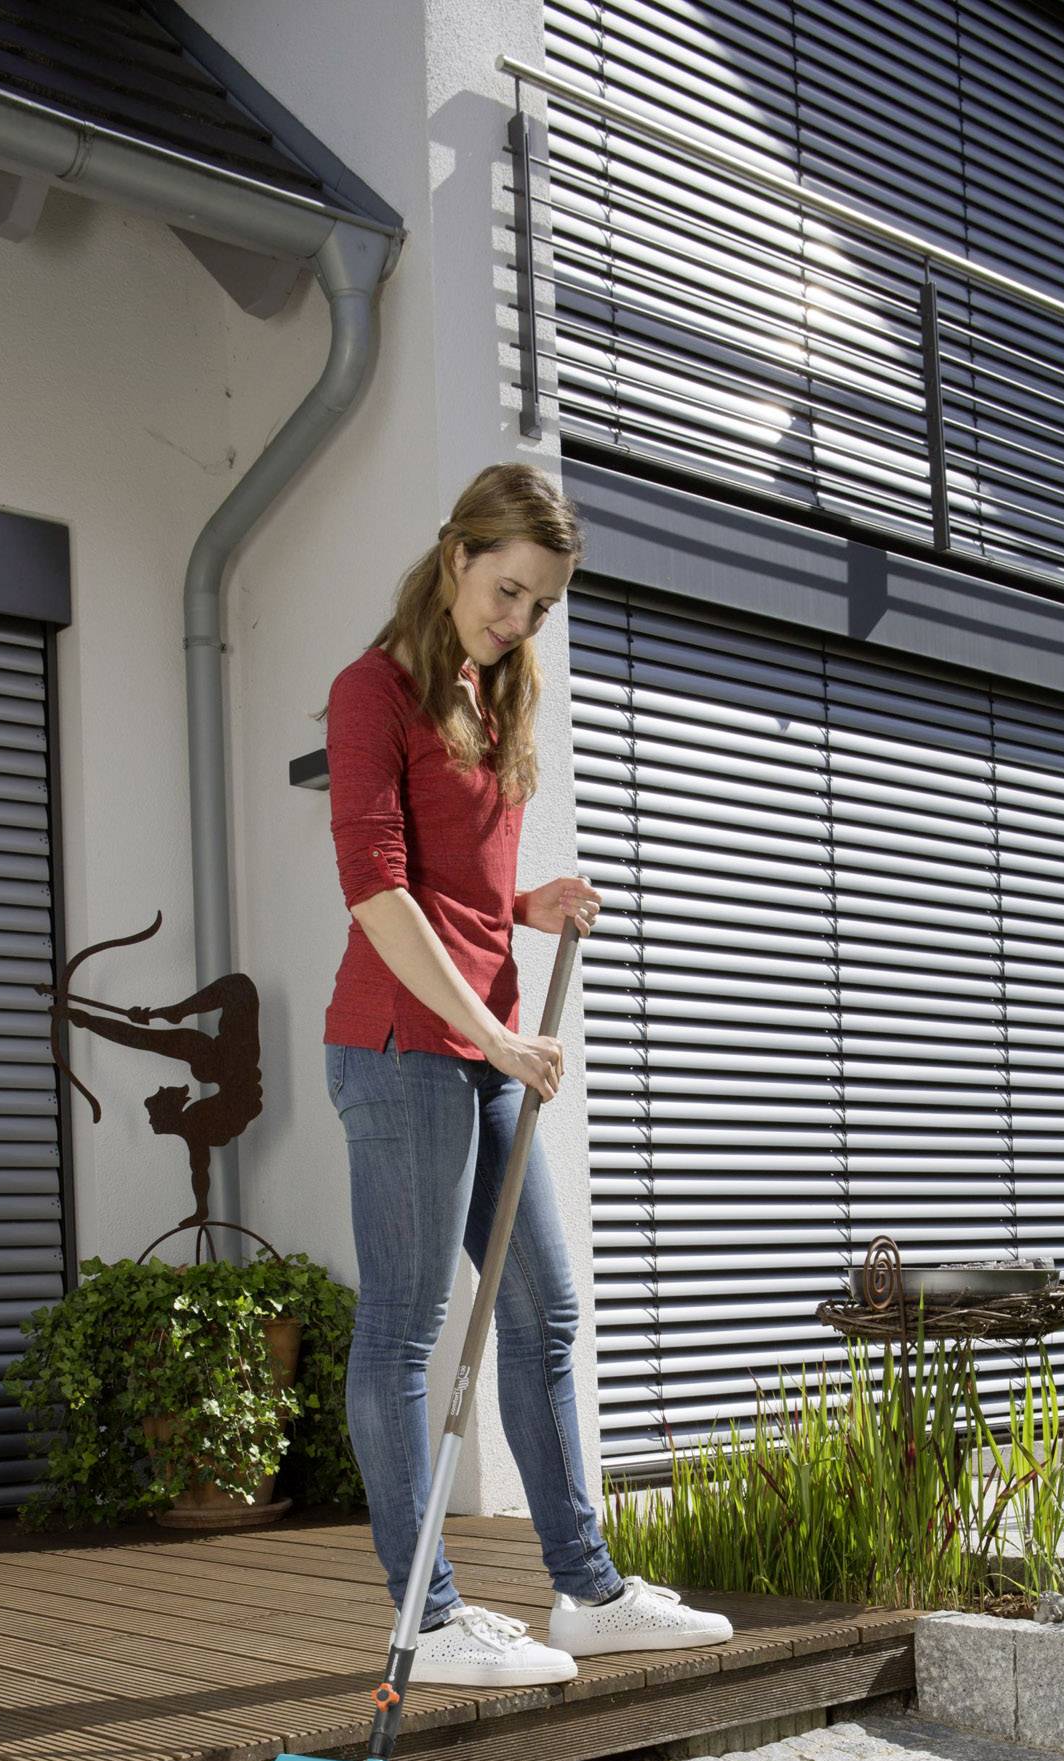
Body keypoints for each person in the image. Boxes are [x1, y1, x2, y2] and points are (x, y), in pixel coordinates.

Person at [323, 462, 734, 1686]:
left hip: (492, 1045)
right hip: (405, 1049)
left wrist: (525, 902)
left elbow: (453, 883)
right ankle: (431, 1617)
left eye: (541, 605)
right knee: (404, 1336)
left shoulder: (490, 692)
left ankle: (588, 1593)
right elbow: (381, 893)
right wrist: (493, 1034)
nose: (519, 620)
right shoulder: (373, 690)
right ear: (455, 555)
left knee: (546, 1308)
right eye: (508, 591)